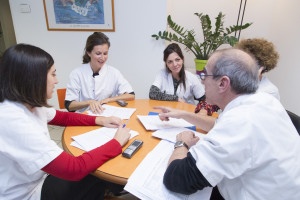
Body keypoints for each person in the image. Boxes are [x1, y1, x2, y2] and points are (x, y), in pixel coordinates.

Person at [156, 48, 300, 200]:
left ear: (223, 83)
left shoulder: (239, 122)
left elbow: (177, 179)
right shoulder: (265, 101)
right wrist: (183, 115)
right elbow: (217, 124)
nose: (202, 81)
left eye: (205, 75)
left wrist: (182, 143)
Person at [0, 44, 131, 200]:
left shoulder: (26, 103)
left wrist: (101, 119)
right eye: (53, 74)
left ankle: (115, 189)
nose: (56, 81)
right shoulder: (13, 120)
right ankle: (121, 189)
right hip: (28, 193)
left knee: (95, 166)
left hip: (39, 177)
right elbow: (73, 169)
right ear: (34, 79)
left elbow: (63, 117)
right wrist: (116, 143)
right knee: (95, 171)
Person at [65, 32, 135, 114]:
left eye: (105, 53)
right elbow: (69, 105)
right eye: (98, 54)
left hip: (107, 115)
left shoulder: (113, 72)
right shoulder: (77, 73)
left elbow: (131, 95)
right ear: (88, 52)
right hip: (84, 116)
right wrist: (89, 102)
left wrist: (108, 100)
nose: (102, 58)